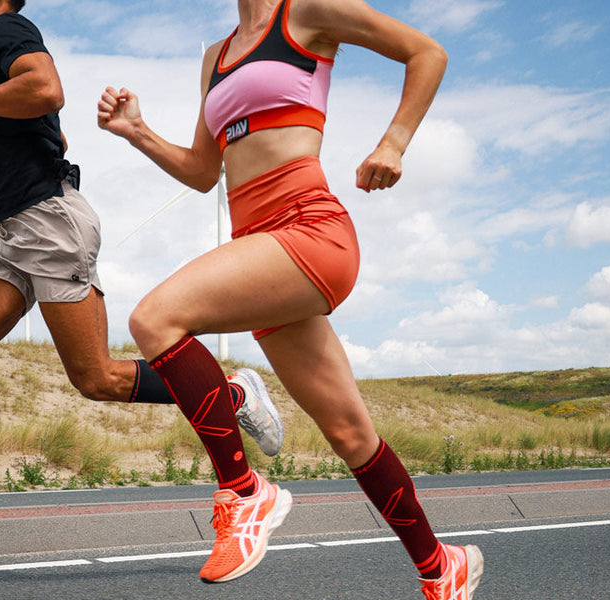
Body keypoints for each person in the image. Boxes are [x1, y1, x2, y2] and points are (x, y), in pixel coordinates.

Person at [0, 0, 285, 559]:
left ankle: (234, 393)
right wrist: (4, 191)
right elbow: (55, 135)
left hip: (48, 225)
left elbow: (47, 91)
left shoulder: (7, 29)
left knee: (96, 378)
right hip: (11, 227)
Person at [98, 0, 484, 596]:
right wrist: (138, 132)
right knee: (351, 433)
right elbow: (205, 172)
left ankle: (246, 494)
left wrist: (394, 143)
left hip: (309, 229)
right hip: (261, 252)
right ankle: (440, 567)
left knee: (155, 318)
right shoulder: (216, 56)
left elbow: (427, 52)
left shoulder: (306, 12)